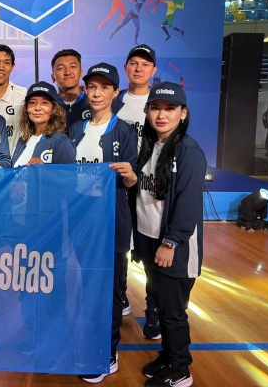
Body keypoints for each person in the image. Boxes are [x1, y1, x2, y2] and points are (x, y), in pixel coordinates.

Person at [133, 81, 206, 387]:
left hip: (173, 246)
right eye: (155, 108)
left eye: (170, 108)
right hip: (148, 240)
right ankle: (167, 356)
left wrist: (170, 241)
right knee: (160, 304)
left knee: (173, 310)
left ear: (183, 113)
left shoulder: (188, 151)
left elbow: (188, 205)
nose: (161, 115)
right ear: (147, 111)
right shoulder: (150, 145)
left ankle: (180, 369)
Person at [69, 63, 138, 384]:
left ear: (115, 92)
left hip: (111, 223)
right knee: (86, 286)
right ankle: (88, 341)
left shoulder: (125, 131)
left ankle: (107, 351)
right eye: (92, 87)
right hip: (81, 223)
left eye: (104, 87)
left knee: (109, 291)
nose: (97, 93)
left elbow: (132, 180)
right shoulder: (75, 130)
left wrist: (130, 176)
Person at [112, 44, 158, 326]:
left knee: (150, 248)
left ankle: (153, 307)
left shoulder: (159, 102)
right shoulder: (114, 100)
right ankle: (121, 294)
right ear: (126, 67)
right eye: (133, 63)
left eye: (145, 64)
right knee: (120, 246)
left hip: (151, 185)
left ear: (153, 70)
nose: (138, 68)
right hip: (121, 184)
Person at [11, 81, 76, 166]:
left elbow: (69, 174)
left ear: (54, 108)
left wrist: (44, 170)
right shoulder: (22, 141)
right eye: (32, 102)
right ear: (26, 108)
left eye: (44, 102)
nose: (37, 108)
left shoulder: (62, 142)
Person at [0, 44, 27, 155]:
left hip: (14, 162)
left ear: (12, 67)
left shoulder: (23, 96)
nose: (1, 67)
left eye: (6, 63)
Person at [50, 49, 89, 130]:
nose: (67, 72)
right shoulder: (48, 108)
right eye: (60, 68)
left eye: (73, 66)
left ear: (81, 73)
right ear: (53, 77)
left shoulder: (94, 105)